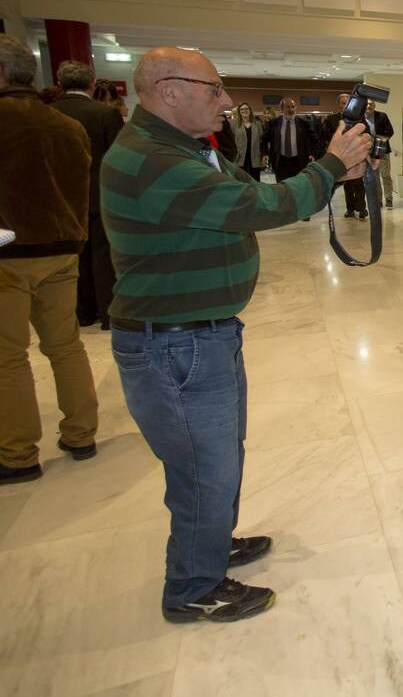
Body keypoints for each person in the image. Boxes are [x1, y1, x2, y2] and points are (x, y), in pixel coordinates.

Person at [101, 46, 372, 623]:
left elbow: (246, 198)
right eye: (214, 88)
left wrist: (328, 175)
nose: (226, 101)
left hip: (198, 336)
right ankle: (193, 588)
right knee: (205, 467)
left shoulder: (182, 149)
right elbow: (257, 204)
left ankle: (210, 543)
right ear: (168, 90)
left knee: (217, 457)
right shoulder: (155, 160)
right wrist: (328, 166)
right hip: (177, 344)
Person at [0, 36, 99, 484]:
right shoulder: (65, 125)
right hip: (62, 248)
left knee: (8, 357)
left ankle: (18, 453)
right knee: (65, 345)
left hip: (9, 253)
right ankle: (81, 433)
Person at [51, 59, 124, 329]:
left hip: (63, 196)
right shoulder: (105, 114)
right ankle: (108, 312)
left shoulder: (51, 112)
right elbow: (120, 158)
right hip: (100, 193)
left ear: (61, 83)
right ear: (92, 84)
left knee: (76, 255)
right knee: (104, 254)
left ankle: (83, 311)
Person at [266, 98, 314, 183]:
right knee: (282, 188)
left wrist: (313, 153)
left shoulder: (304, 123)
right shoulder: (274, 123)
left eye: (293, 107)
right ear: (282, 109)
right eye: (287, 107)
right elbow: (264, 139)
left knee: (299, 187)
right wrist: (265, 154)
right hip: (280, 161)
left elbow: (314, 139)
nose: (291, 109)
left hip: (299, 162)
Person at [364, 100, 396, 207]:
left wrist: (380, 140)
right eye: (367, 104)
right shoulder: (360, 118)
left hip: (381, 147)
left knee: (385, 174)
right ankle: (378, 200)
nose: (369, 106)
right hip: (368, 150)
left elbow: (390, 131)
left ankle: (389, 198)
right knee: (375, 176)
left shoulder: (382, 116)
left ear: (374, 106)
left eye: (371, 104)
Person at [229, 102, 264, 180]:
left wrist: (263, 155)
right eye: (242, 109)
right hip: (240, 157)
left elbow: (261, 140)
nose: (244, 111)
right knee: (241, 180)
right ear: (239, 112)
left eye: (246, 109)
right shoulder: (234, 124)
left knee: (255, 180)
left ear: (250, 110)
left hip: (254, 157)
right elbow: (231, 141)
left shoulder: (257, 124)